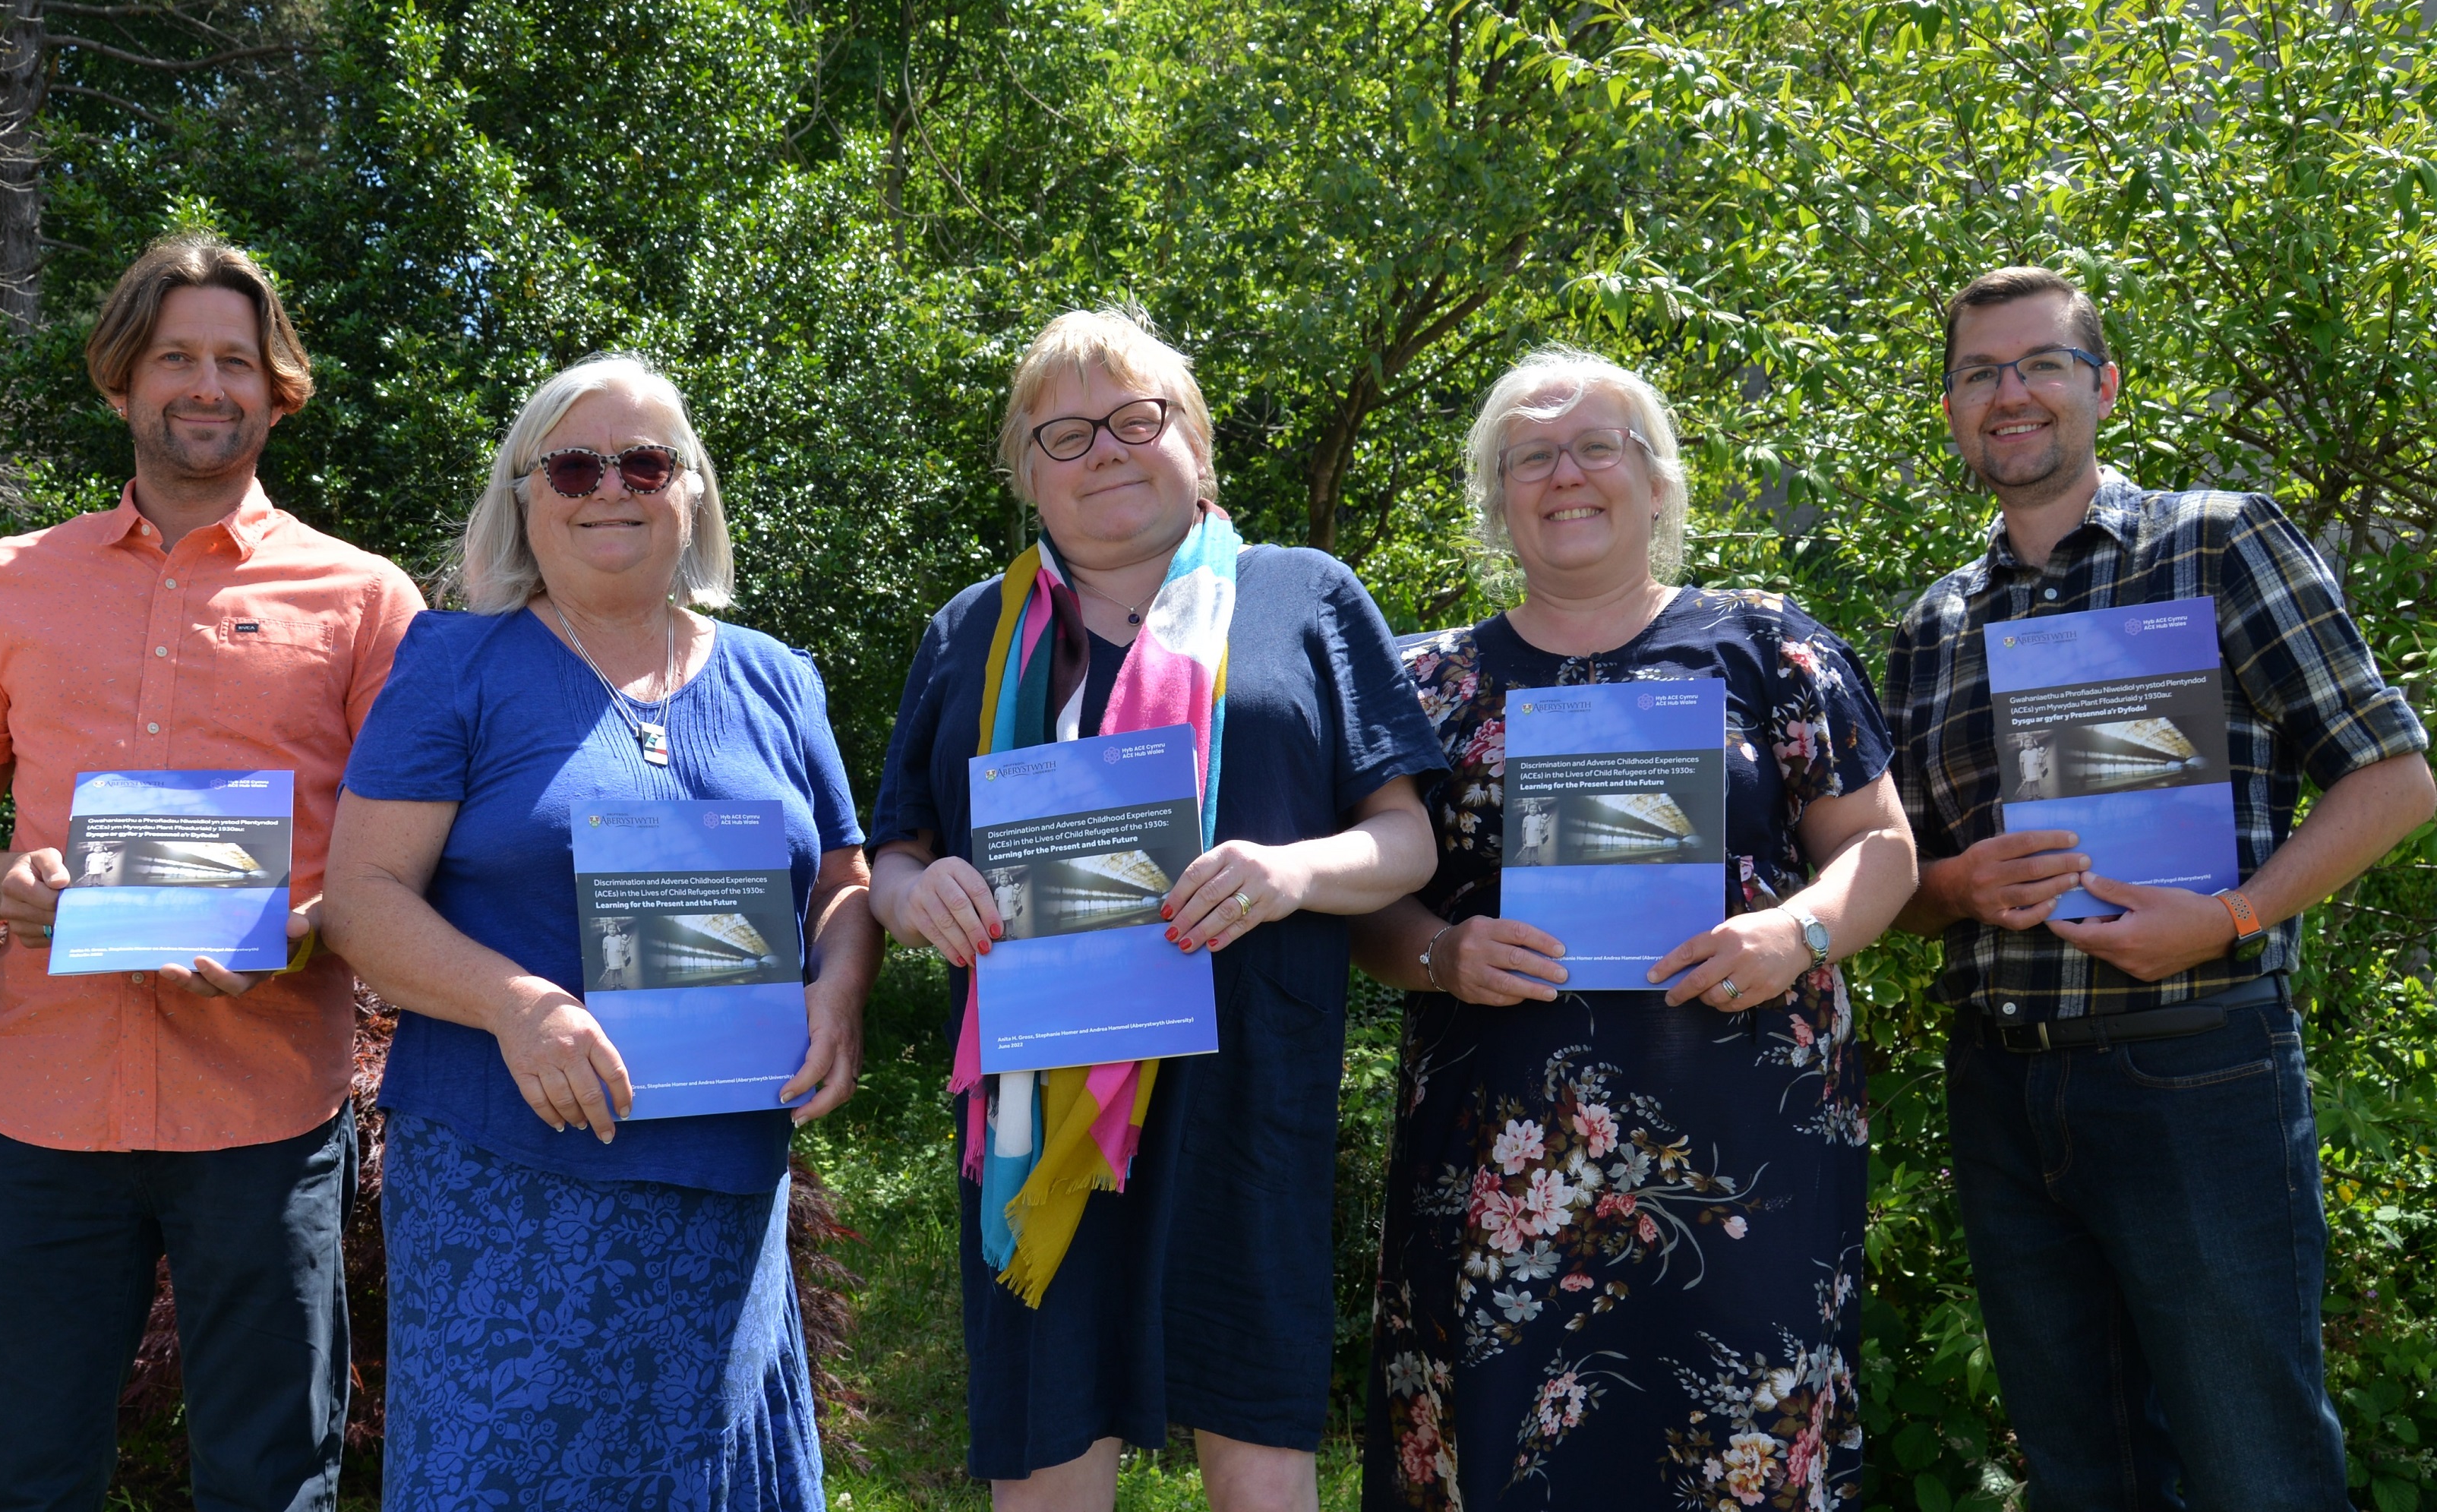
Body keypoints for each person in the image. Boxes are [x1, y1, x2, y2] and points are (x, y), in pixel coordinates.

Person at [865, 308, 1447, 1510]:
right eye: (1064, 434)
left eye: (1140, 419)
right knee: (1047, 1444)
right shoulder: (971, 628)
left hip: (1249, 1082)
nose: (1106, 452)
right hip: (1039, 1082)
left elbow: (1406, 839)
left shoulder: (1305, 598)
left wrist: (1291, 872)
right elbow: (891, 859)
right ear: (1025, 474)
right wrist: (928, 895)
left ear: (1199, 443)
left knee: (1257, 1448)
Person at [1882, 267, 2435, 1511]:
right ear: (1954, 407)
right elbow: (1903, 883)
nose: (2009, 393)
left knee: (2259, 1464)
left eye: (2040, 365)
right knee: (2086, 1471)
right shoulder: (1933, 625)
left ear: (2103, 387)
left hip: (2199, 1064)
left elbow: (2394, 781)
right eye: (1979, 373)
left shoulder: (2217, 537)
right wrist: (1956, 884)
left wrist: (2235, 915)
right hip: (2003, 1082)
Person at [0, 234, 421, 1511]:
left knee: (270, 1474)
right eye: (175, 356)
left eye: (235, 361)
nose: (206, 385)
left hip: (265, 1108)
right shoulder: (7, 584)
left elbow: (403, 860)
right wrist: (2, 885)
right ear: (123, 381)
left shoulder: (364, 601)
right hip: (46, 1107)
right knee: (24, 1474)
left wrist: (304, 929)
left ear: (277, 387)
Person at [1350, 347, 1919, 1510]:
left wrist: (1797, 934)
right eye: (1532, 456)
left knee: (1737, 1450)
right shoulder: (1425, 681)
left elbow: (1884, 851)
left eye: (1597, 446)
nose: (1567, 474)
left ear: (1657, 483)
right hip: (1496, 1173)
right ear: (1497, 495)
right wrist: (1441, 952)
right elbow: (1366, 908)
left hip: (1745, 1155)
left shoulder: (1771, 649)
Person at [320, 353, 879, 1507]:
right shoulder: (454, 664)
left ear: (694, 492)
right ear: (523, 496)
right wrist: (512, 1002)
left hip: (723, 1180)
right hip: (504, 1177)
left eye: (645, 462)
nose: (609, 487)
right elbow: (365, 898)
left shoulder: (780, 680)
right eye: (573, 465)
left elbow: (843, 879)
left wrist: (839, 989)